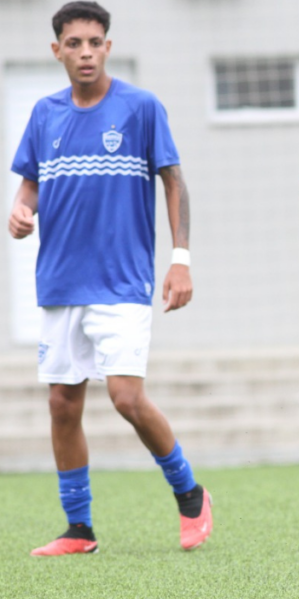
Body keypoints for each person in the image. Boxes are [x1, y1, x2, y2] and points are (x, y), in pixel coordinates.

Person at [7, 2, 211, 556]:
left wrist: (181, 258)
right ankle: (79, 529)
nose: (86, 52)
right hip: (59, 284)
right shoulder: (44, 114)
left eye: (95, 42)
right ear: (58, 51)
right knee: (62, 405)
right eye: (74, 43)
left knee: (125, 397)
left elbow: (174, 182)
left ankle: (189, 492)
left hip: (121, 283)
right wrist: (20, 212)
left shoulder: (141, 108)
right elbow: (29, 186)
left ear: (108, 47)